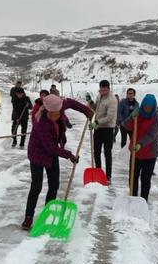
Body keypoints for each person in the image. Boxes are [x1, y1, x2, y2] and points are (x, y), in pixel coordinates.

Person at [22, 95, 94, 230]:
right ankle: (28, 217)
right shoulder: (41, 124)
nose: (56, 115)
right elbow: (51, 148)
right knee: (36, 186)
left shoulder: (59, 106)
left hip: (52, 152)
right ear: (47, 111)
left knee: (54, 185)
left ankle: (47, 213)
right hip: (38, 154)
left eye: (58, 113)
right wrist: (69, 155)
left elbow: (72, 103)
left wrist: (86, 111)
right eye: (53, 114)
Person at [121, 94, 158, 202]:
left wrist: (140, 144)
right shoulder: (138, 113)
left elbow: (151, 135)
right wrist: (131, 117)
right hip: (136, 152)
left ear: (153, 107)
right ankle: (132, 198)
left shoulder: (157, 118)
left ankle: (143, 201)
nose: (147, 109)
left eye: (149, 107)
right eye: (145, 107)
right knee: (133, 178)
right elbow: (125, 125)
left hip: (149, 153)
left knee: (145, 179)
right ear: (143, 105)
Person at [88, 80, 118, 183]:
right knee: (96, 151)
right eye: (101, 89)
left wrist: (96, 122)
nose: (103, 91)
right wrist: (91, 103)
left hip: (108, 129)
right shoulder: (99, 96)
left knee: (107, 153)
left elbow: (109, 117)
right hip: (98, 128)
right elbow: (96, 109)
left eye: (105, 90)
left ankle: (108, 176)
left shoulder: (112, 100)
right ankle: (98, 172)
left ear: (108, 89)